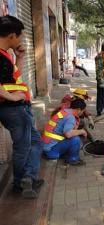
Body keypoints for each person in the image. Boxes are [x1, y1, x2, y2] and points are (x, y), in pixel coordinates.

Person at [0, 15, 44, 198]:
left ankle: (29, 177)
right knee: (23, 146)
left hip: (17, 108)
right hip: (14, 109)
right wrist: (11, 97)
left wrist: (19, 57)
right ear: (11, 35)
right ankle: (21, 182)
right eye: (19, 36)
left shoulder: (5, 55)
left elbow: (12, 79)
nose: (20, 40)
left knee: (34, 142)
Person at [42, 98, 87, 166]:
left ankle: (64, 153)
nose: (82, 113)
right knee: (75, 139)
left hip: (46, 146)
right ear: (78, 110)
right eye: (82, 111)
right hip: (51, 151)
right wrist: (81, 131)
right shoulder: (70, 118)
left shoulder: (64, 112)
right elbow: (68, 134)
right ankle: (73, 159)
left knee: (73, 135)